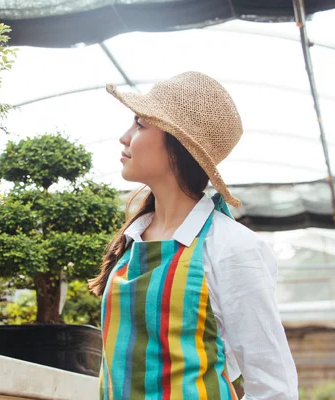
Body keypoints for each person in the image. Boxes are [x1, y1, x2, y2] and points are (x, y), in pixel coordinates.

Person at [88, 72, 298, 399]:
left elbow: (273, 384)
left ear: (178, 143)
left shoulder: (232, 247)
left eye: (140, 124)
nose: (125, 137)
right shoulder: (130, 243)